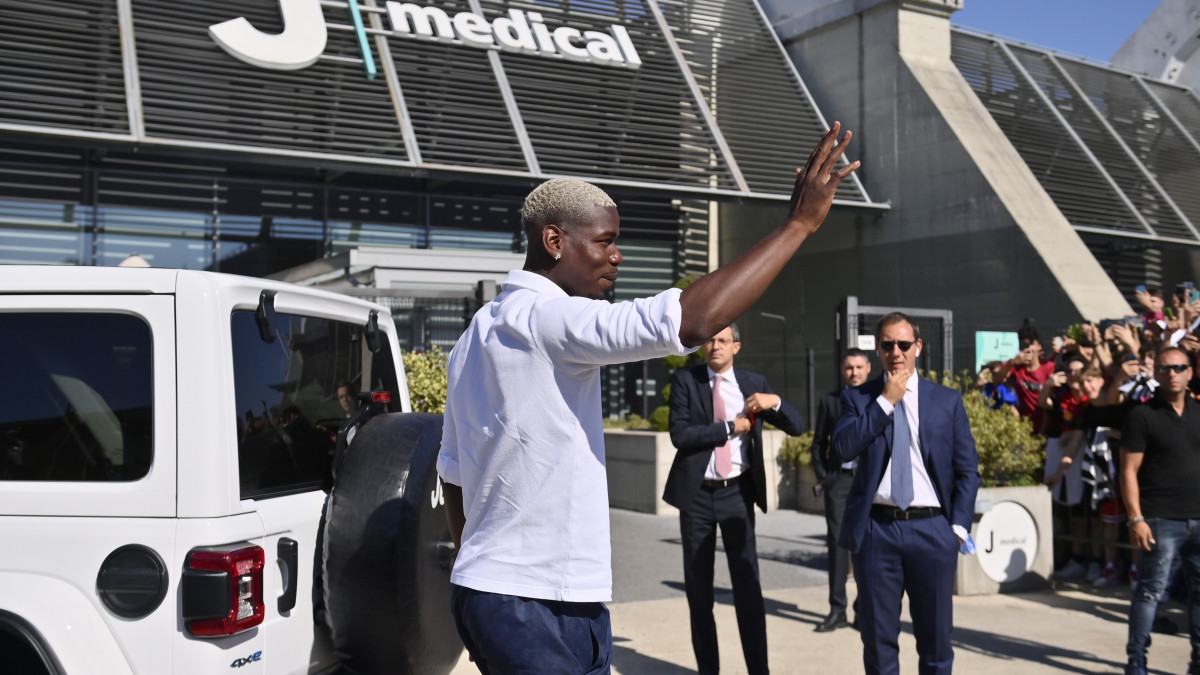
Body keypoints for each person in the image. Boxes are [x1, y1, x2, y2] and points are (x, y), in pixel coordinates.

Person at [437, 124, 860, 674]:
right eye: (605, 241)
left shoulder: (474, 336)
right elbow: (695, 318)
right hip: (530, 602)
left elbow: (454, 478)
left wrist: (484, 576)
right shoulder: (549, 317)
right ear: (554, 240)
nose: (617, 257)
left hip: (510, 594)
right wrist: (798, 225)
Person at [832, 312, 980, 675]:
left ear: (918, 347)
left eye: (903, 344)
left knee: (936, 643)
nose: (896, 351)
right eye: (887, 345)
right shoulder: (858, 398)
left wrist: (957, 529)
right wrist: (885, 401)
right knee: (879, 644)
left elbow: (967, 471)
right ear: (879, 350)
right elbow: (843, 448)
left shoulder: (946, 400)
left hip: (933, 530)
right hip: (877, 531)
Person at [663, 323, 805, 674]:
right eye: (710, 339)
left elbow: (798, 427)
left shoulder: (753, 385)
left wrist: (777, 402)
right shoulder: (687, 381)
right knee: (699, 592)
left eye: (723, 340)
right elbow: (679, 434)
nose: (715, 346)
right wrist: (729, 428)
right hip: (697, 496)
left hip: (737, 495)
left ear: (736, 347)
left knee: (748, 589)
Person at [1121, 347, 1200, 675]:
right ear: (1156, 373)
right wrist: (1136, 518)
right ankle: (1136, 662)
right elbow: (1127, 470)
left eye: (1179, 367)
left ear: (1190, 372)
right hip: (1158, 519)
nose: (1173, 374)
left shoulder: (1199, 412)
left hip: (1199, 519)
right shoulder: (1143, 415)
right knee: (1150, 592)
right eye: (1166, 368)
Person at [810, 347, 871, 632]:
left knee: (868, 545)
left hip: (870, 482)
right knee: (837, 545)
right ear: (841, 371)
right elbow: (819, 442)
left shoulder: (878, 399)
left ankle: (863, 609)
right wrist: (825, 477)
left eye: (859, 367)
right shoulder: (830, 402)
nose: (854, 372)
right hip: (839, 482)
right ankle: (837, 609)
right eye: (849, 368)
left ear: (868, 369)